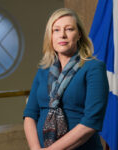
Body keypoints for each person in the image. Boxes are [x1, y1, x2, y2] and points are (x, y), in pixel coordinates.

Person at [23, 8, 109, 150]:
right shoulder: (43, 71)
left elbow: (91, 122)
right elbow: (30, 115)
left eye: (69, 29)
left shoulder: (94, 68)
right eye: (56, 30)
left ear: (79, 34)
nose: (62, 35)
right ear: (50, 36)